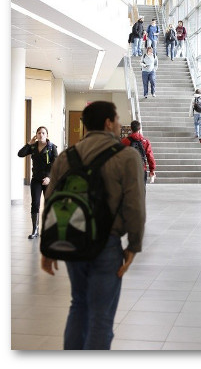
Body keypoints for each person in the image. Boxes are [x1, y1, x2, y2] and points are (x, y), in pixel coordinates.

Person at [40, 101, 146, 350]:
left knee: (79, 304)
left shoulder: (68, 156)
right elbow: (135, 205)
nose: (119, 123)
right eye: (117, 118)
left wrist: (48, 246)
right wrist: (134, 245)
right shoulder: (127, 156)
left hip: (73, 239)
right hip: (106, 244)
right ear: (108, 123)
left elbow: (52, 199)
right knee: (101, 317)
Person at [18, 126, 58, 239]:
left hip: (48, 180)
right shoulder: (33, 147)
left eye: (43, 133)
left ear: (47, 135)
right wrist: (29, 143)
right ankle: (35, 230)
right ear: (36, 135)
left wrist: (49, 178)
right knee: (35, 203)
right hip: (36, 180)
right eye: (39, 133)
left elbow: (56, 164)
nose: (41, 135)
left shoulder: (52, 147)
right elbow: (20, 154)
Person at [121, 120, 156, 188]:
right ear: (139, 129)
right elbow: (150, 157)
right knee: (141, 191)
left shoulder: (124, 141)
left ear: (131, 128)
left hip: (129, 170)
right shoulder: (145, 141)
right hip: (142, 169)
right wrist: (152, 170)